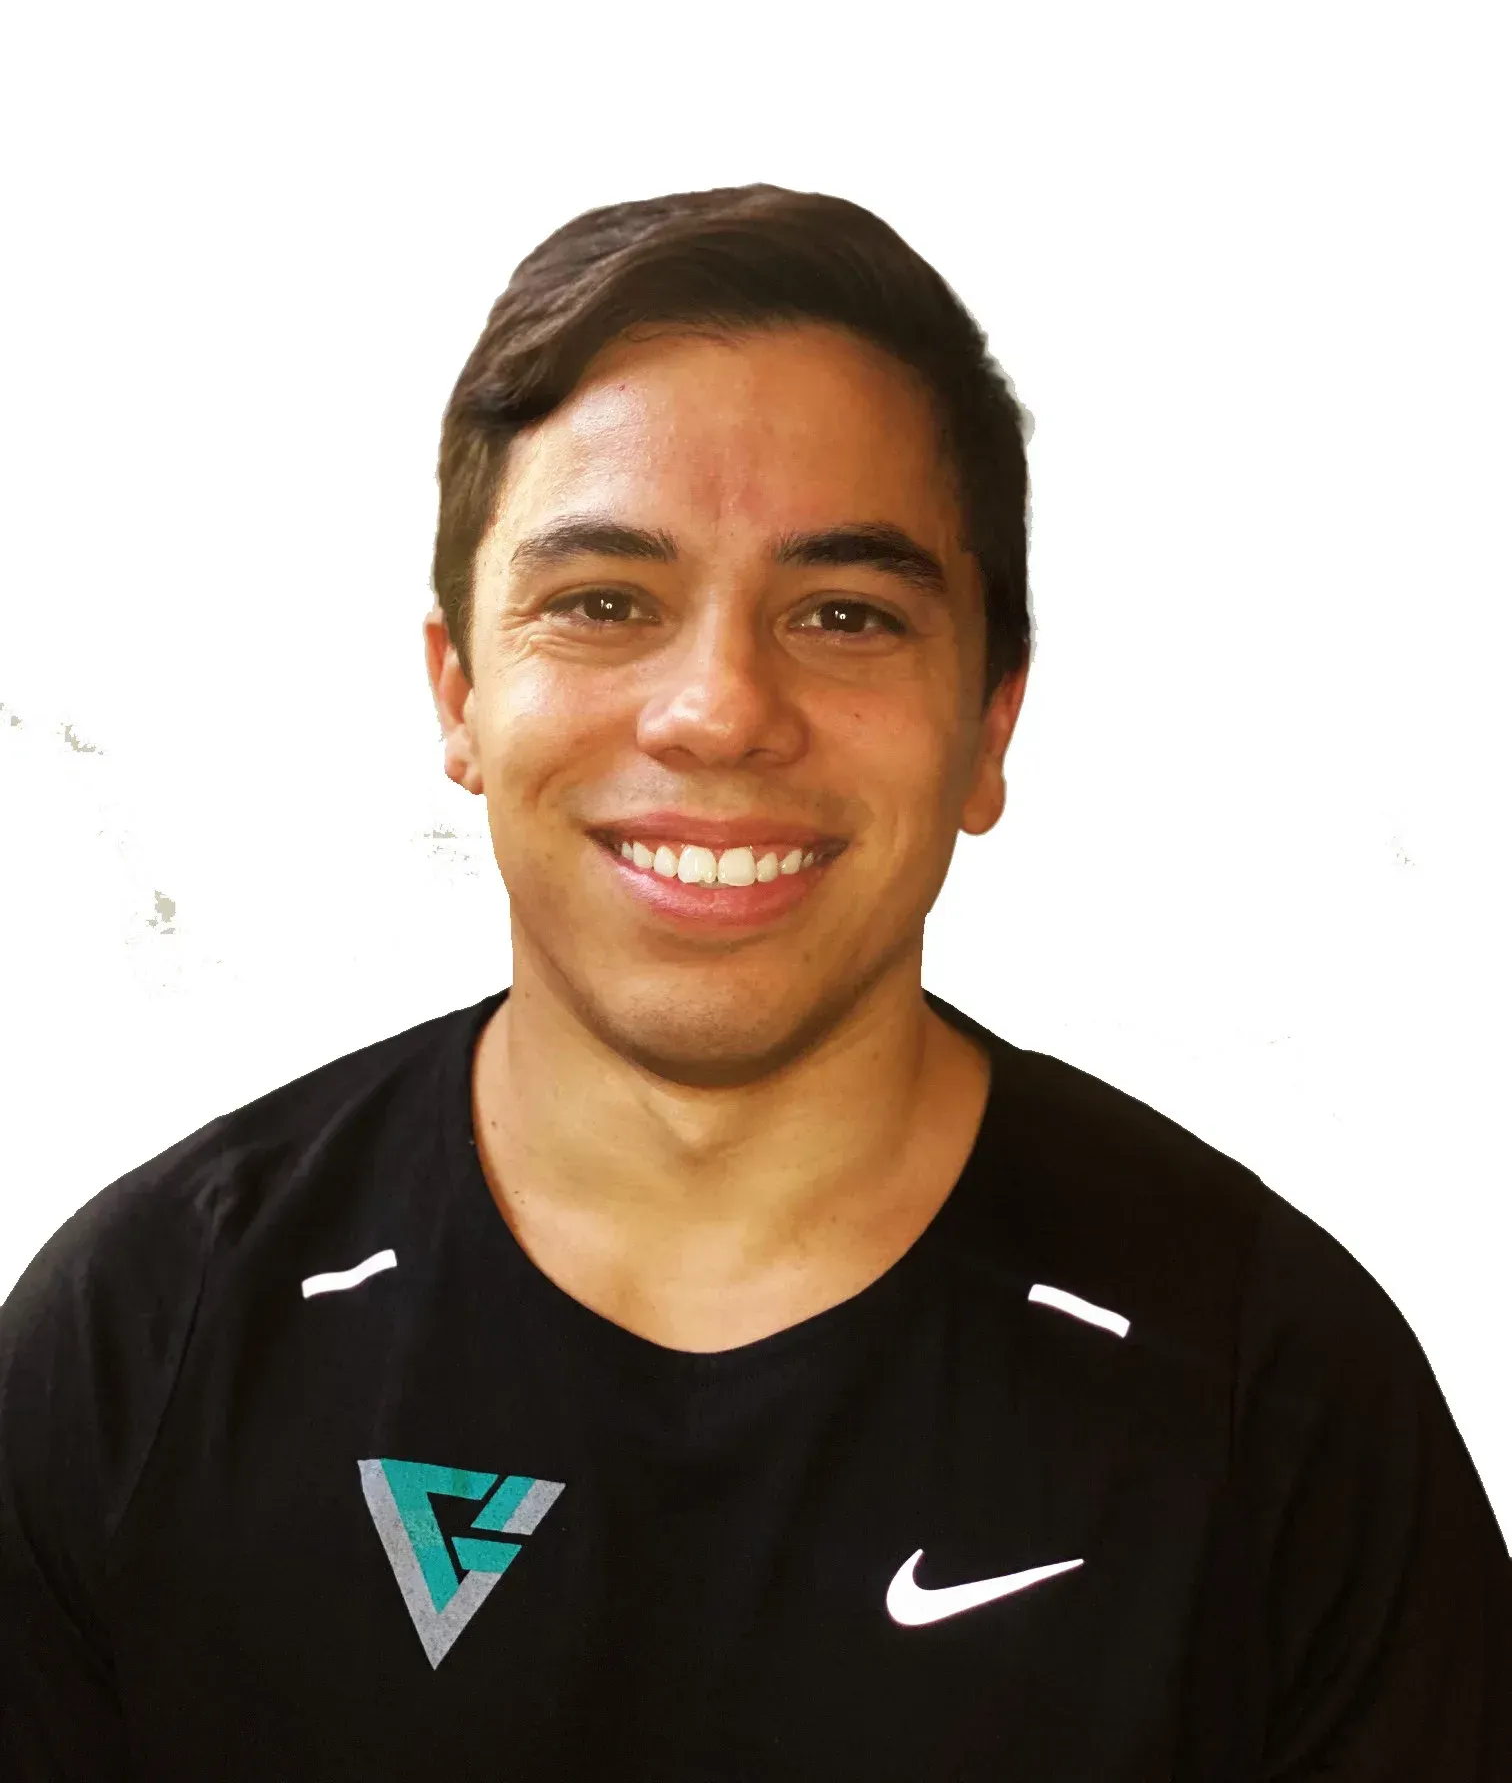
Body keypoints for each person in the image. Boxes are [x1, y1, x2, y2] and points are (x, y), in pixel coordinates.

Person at [1, 185, 1506, 1781]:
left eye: (846, 614)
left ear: (990, 723)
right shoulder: (151, 1341)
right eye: (603, 604)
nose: (719, 710)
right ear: (458, 692)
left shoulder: (1274, 1397)